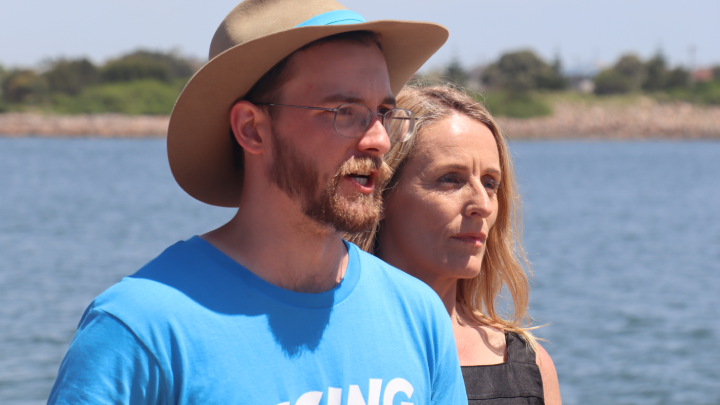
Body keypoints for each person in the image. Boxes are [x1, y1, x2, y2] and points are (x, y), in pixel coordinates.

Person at [48, 1, 468, 404]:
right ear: (251, 129)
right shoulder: (141, 329)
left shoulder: (417, 316)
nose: (378, 140)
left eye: (383, 112)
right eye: (344, 111)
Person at [347, 85, 562, 405]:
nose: (483, 205)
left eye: (490, 183)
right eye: (451, 178)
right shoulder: (334, 345)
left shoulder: (529, 366)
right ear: (383, 194)